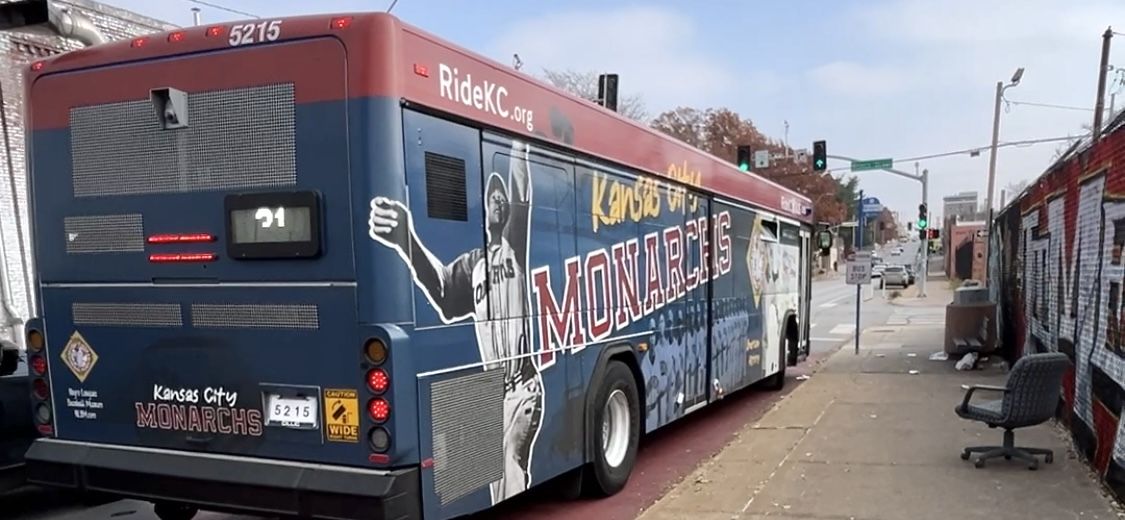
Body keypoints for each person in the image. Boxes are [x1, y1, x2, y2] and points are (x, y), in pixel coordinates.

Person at [367, 139, 543, 503]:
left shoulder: (515, 244)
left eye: (502, 197)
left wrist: (518, 140)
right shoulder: (473, 264)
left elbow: (519, 181)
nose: (498, 201)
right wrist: (407, 240)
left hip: (523, 386)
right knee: (497, 486)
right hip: (495, 392)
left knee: (510, 463)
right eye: (492, 197)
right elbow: (444, 295)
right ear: (484, 211)